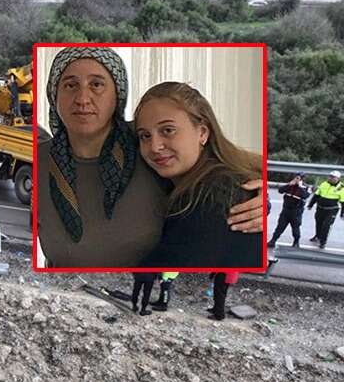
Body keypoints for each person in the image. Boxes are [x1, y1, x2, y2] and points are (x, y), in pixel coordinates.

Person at [36, 47, 263, 267]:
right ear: (53, 96)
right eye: (70, 85)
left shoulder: (145, 146)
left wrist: (257, 192)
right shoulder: (36, 159)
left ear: (118, 95)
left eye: (96, 85)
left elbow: (225, 162)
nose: (82, 98)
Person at [133, 82, 264, 269]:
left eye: (168, 130)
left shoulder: (212, 198)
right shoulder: (221, 181)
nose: (155, 146)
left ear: (202, 132)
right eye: (145, 136)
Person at [269, 173, 311, 248]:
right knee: (280, 226)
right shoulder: (290, 185)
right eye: (296, 178)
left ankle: (296, 242)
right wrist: (289, 184)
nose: (296, 179)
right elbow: (280, 190)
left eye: (298, 178)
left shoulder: (306, 187)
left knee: (295, 228)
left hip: (296, 212)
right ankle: (273, 240)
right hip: (286, 210)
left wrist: (300, 186)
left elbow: (305, 195)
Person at [307, 170, 343, 249]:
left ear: (337, 178)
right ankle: (317, 236)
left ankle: (323, 242)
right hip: (320, 208)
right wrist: (310, 205)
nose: (330, 178)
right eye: (330, 176)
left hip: (331, 210)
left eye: (333, 177)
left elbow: (343, 201)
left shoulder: (341, 187)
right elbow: (316, 195)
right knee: (318, 223)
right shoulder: (324, 184)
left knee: (326, 226)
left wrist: (342, 213)